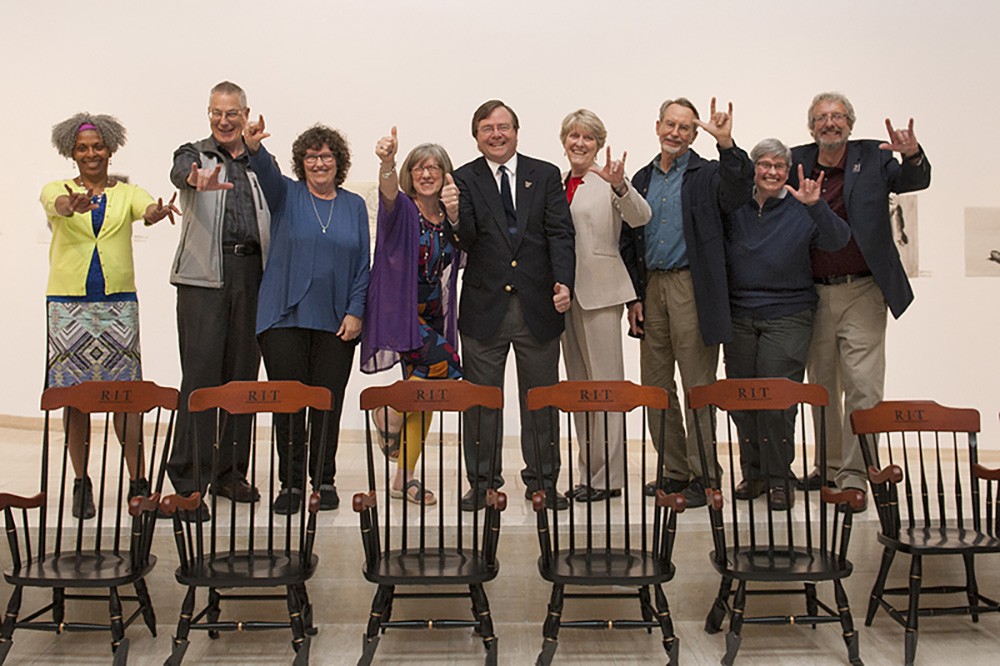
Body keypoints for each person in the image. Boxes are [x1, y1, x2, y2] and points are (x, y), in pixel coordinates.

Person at [789, 92, 931, 506]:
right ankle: (830, 467)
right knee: (823, 386)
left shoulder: (874, 156)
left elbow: (914, 180)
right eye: (821, 118)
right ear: (811, 126)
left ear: (850, 124)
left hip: (864, 288)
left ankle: (856, 473)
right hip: (812, 291)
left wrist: (913, 155)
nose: (829, 123)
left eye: (837, 117)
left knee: (864, 386)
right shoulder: (796, 159)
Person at [41, 112, 179, 518]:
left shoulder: (125, 192)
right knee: (75, 399)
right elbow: (58, 206)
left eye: (98, 147)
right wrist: (71, 204)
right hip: (69, 308)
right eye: (83, 148)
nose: (91, 154)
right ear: (72, 152)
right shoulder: (55, 189)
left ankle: (137, 480)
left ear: (110, 149)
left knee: (126, 396)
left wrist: (156, 212)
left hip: (118, 306)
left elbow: (147, 209)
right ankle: (82, 482)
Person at [619, 98, 753, 508]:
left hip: (691, 288)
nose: (675, 133)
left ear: (695, 135)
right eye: (670, 125)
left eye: (685, 128)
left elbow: (738, 190)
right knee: (655, 387)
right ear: (657, 125)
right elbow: (630, 238)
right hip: (651, 290)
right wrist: (634, 297)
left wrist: (727, 145)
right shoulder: (641, 177)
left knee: (698, 385)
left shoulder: (708, 174)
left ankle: (706, 474)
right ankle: (674, 471)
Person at [451, 99, 576, 511]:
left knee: (540, 402)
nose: (496, 134)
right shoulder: (464, 179)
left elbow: (560, 233)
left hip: (538, 307)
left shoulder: (543, 175)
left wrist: (565, 282)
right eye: (487, 128)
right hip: (484, 310)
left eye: (503, 126)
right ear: (476, 136)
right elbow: (466, 238)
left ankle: (543, 482)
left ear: (517, 131)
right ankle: (482, 482)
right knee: (482, 403)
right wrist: (453, 217)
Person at [245, 117, 370, 514]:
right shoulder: (286, 194)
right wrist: (253, 146)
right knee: (289, 404)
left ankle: (325, 479)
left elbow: (363, 266)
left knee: (327, 404)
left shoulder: (353, 205)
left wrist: (356, 311)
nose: (319, 163)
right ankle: (292, 484)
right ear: (301, 162)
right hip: (284, 318)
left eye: (327, 156)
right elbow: (264, 169)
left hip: (337, 321)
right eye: (312, 157)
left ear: (339, 161)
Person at [722, 138, 850, 510]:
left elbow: (838, 240)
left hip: (788, 314)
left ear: (789, 169)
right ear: (753, 168)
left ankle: (780, 479)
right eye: (764, 164)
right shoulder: (736, 206)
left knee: (777, 400)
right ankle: (755, 473)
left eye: (779, 165)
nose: (772, 172)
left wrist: (817, 207)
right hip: (740, 314)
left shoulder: (802, 206)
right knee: (742, 400)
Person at [166, 81, 270, 516]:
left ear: (246, 115)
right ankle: (190, 480)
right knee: (201, 376)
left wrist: (258, 155)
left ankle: (229, 472)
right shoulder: (194, 153)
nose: (224, 121)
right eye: (216, 113)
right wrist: (195, 178)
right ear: (209, 114)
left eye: (232, 114)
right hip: (203, 280)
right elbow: (180, 173)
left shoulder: (258, 163)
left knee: (242, 378)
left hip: (252, 274)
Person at [360, 127, 463, 505]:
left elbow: (467, 250)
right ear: (410, 173)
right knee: (446, 365)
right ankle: (388, 411)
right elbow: (387, 188)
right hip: (400, 311)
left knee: (427, 393)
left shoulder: (449, 215)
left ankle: (404, 476)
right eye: (419, 167)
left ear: (445, 174)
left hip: (435, 314)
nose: (426, 173)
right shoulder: (401, 207)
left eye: (434, 167)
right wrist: (387, 163)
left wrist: (455, 213)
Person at [558, 110, 651, 502]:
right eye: (573, 136)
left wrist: (620, 188)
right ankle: (587, 473)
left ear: (598, 143)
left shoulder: (607, 181)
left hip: (602, 293)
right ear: (564, 140)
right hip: (565, 298)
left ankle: (609, 477)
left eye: (588, 138)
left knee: (606, 388)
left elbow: (640, 217)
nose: (580, 143)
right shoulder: (558, 182)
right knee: (580, 390)